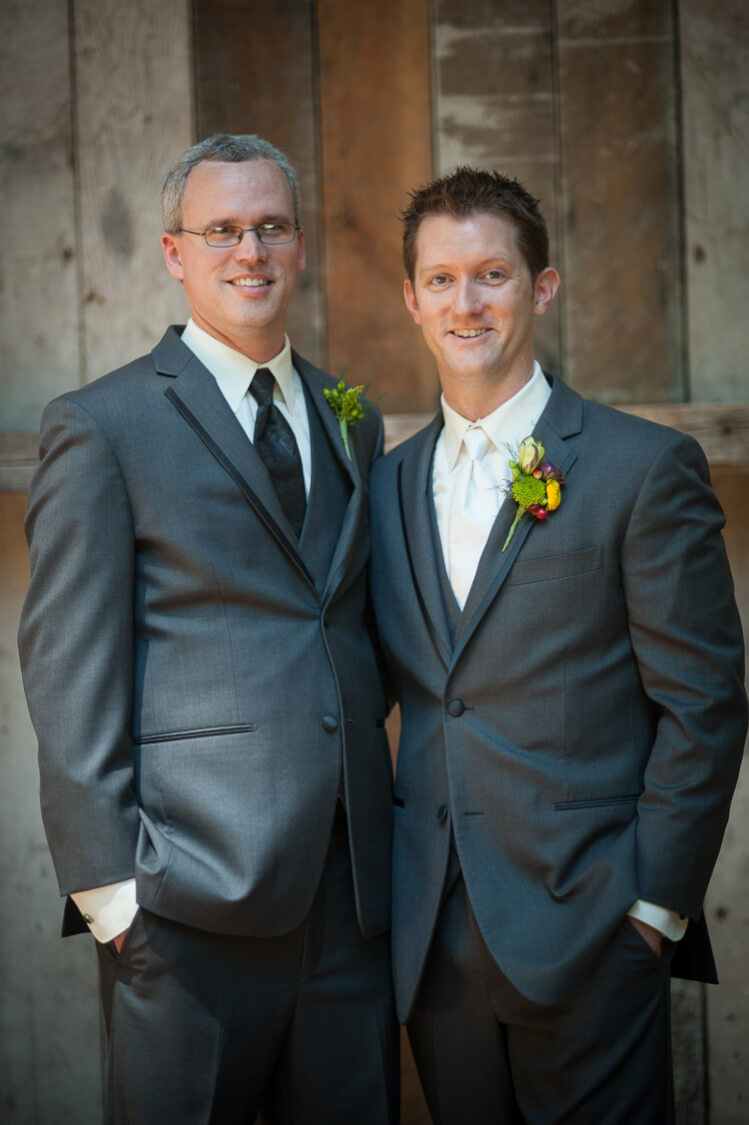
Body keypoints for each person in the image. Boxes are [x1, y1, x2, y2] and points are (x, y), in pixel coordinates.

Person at [18, 133, 398, 1124]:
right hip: (185, 907)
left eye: (270, 227)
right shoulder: (102, 427)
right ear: (174, 253)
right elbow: (68, 668)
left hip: (350, 901)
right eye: (221, 230)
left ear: (300, 245)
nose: (250, 252)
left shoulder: (348, 417)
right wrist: (112, 897)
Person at [368, 166, 747, 1123]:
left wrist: (652, 911)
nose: (467, 302)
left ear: (541, 287)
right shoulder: (382, 487)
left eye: (491, 274)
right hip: (432, 936)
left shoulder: (640, 468)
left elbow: (702, 703)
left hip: (593, 928)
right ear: (412, 300)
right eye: (442, 280)